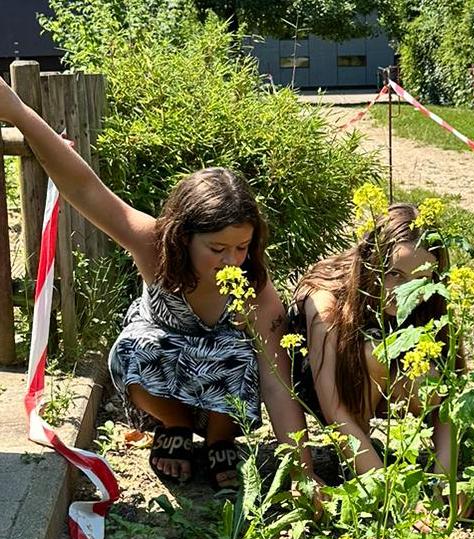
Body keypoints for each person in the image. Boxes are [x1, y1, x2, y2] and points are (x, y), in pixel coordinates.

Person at [0, 77, 318, 491]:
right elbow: (84, 188)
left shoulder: (254, 284)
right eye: (217, 247)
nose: (231, 260)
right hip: (165, 380)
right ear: (183, 236)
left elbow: (277, 385)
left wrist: (306, 473)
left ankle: (221, 438)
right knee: (138, 346)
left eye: (242, 246)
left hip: (225, 396)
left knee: (240, 352)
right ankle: (175, 424)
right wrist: (18, 113)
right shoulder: (153, 244)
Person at [288, 203, 471, 512]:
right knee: (372, 352)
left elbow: (450, 391)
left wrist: (447, 477)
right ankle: (361, 468)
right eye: (394, 274)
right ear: (372, 261)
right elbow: (333, 407)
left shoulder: (432, 304)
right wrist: (394, 498)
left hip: (386, 387)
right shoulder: (327, 301)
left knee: (425, 370)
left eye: (419, 281)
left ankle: (379, 464)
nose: (403, 292)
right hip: (326, 389)